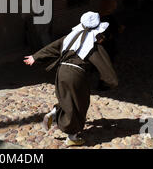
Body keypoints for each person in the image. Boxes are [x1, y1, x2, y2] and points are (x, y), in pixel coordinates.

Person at [23, 12, 118, 146]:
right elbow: (105, 66)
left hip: (61, 71)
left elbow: (53, 47)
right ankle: (72, 137)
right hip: (76, 75)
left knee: (67, 98)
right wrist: (110, 82)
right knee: (79, 103)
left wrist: (35, 57)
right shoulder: (93, 44)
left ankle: (54, 113)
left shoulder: (70, 36)